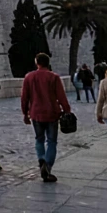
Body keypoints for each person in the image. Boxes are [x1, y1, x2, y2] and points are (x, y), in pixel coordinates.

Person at [20, 52, 71, 182]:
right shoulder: (53, 77)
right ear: (48, 63)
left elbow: (24, 98)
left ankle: (41, 158)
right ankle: (47, 166)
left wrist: (25, 113)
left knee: (39, 139)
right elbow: (61, 96)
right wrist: (67, 110)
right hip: (52, 113)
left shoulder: (29, 77)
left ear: (37, 63)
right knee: (52, 141)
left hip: (36, 113)